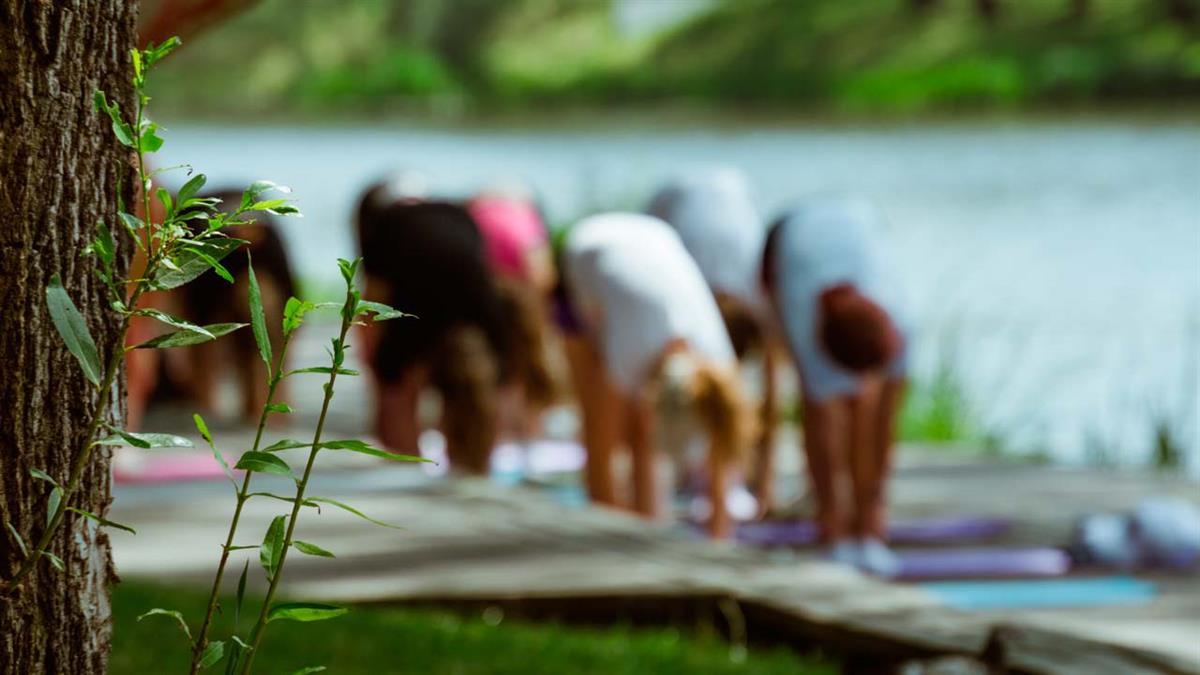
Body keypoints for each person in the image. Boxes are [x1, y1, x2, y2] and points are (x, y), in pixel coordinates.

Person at [561, 213, 756, 538]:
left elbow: (723, 455)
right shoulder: (630, 352)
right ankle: (636, 528)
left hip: (655, 242)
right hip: (588, 248)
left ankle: (647, 521)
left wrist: (719, 540)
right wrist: (608, 533)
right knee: (608, 417)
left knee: (640, 426)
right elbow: (599, 446)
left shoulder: (718, 361)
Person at [761, 196, 910, 575]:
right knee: (825, 406)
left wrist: (873, 513)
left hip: (859, 218)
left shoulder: (904, 324)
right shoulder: (801, 313)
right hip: (786, 234)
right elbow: (819, 419)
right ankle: (831, 524)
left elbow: (885, 422)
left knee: (868, 409)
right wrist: (836, 525)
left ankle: (865, 526)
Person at [646, 168, 780, 516]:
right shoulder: (684, 291)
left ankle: (710, 473)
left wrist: (765, 484)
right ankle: (689, 473)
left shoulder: (762, 301)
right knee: (679, 379)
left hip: (734, 193)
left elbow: (772, 396)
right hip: (670, 202)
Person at [356, 194, 514, 474]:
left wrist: (375, 364)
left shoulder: (386, 225)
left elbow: (373, 298)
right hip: (472, 298)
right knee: (475, 386)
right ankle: (474, 467)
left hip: (414, 295)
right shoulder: (458, 215)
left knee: (397, 387)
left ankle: (404, 469)